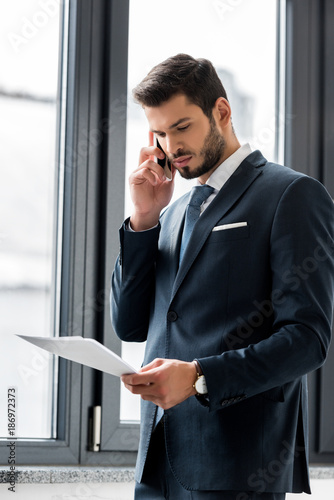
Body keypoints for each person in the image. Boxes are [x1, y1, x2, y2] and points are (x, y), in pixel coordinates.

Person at [110, 54, 334, 499]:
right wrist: (142, 219)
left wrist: (197, 377)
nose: (170, 146)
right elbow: (130, 325)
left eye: (182, 126)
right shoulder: (169, 213)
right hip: (157, 463)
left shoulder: (290, 194)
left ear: (222, 112)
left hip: (238, 468)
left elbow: (309, 340)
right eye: (159, 133)